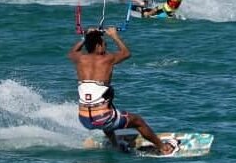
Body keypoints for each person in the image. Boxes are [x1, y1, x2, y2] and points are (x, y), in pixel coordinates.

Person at [68, 27, 175, 155]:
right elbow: (126, 53)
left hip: (84, 119)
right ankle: (163, 147)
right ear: (97, 45)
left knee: (108, 112)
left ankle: (115, 145)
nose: (105, 47)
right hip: (102, 117)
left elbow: (72, 52)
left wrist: (86, 36)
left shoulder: (80, 59)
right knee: (137, 121)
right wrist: (114, 36)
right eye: (104, 44)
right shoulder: (107, 59)